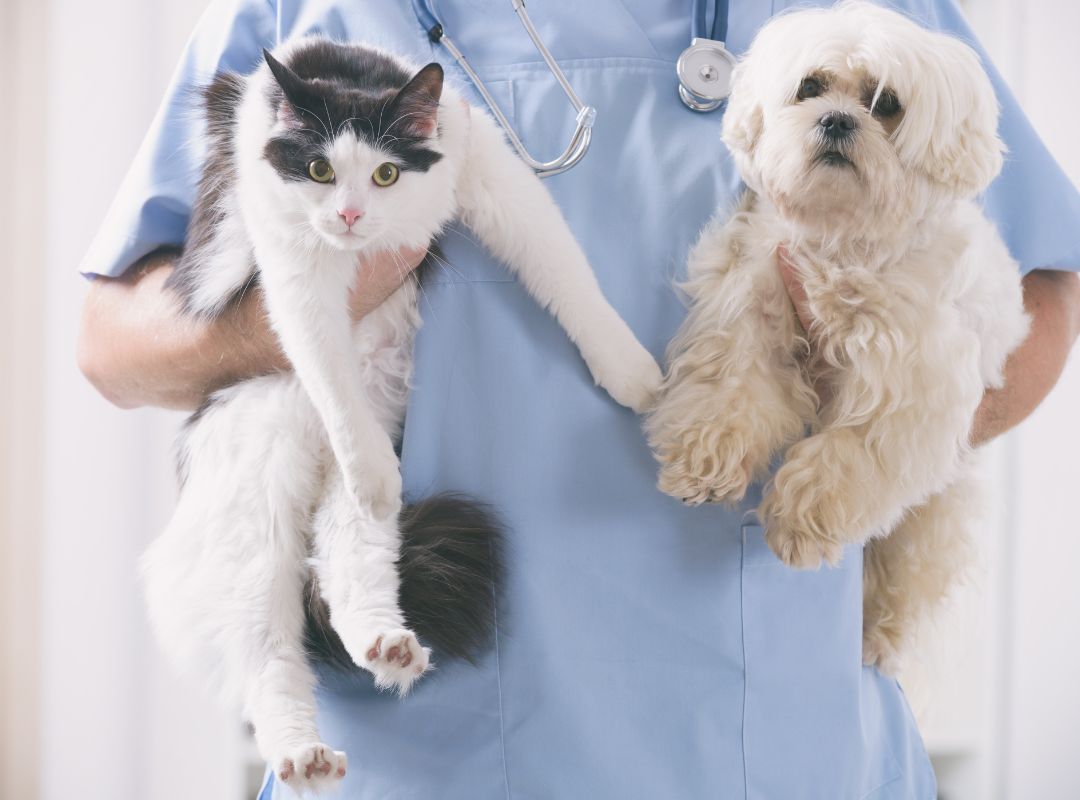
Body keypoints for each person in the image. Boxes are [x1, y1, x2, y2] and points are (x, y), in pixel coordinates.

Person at [77, 1, 1080, 797]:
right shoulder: (300, 10)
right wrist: (293, 315)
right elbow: (114, 342)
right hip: (420, 738)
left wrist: (888, 419)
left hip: (776, 743)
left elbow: (1041, 290)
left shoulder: (877, 17)